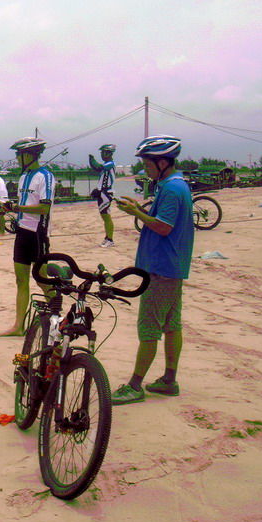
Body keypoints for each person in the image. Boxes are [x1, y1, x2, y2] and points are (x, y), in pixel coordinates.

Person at [111, 135, 194, 405]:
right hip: (173, 266)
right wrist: (139, 208)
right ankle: (169, 380)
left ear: (162, 162)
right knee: (172, 325)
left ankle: (135, 386)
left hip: (161, 268)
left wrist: (136, 213)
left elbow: (163, 227)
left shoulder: (171, 189)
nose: (145, 168)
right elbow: (162, 220)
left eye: (147, 164)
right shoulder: (175, 184)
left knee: (148, 329)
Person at [0, 138, 55, 337]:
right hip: (22, 231)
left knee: (41, 280)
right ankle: (18, 326)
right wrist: (8, 206)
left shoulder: (45, 176)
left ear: (29, 155)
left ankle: (56, 317)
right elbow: (24, 204)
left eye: (18, 154)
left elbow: (44, 208)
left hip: (38, 233)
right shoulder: (24, 177)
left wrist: (17, 207)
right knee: (20, 280)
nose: (16, 158)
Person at [89, 144, 117, 247]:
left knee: (106, 217)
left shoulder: (110, 164)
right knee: (104, 216)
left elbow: (97, 167)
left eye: (102, 153)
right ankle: (107, 237)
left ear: (108, 153)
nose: (101, 155)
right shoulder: (107, 164)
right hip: (102, 192)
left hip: (106, 193)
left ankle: (110, 240)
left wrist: (92, 160)